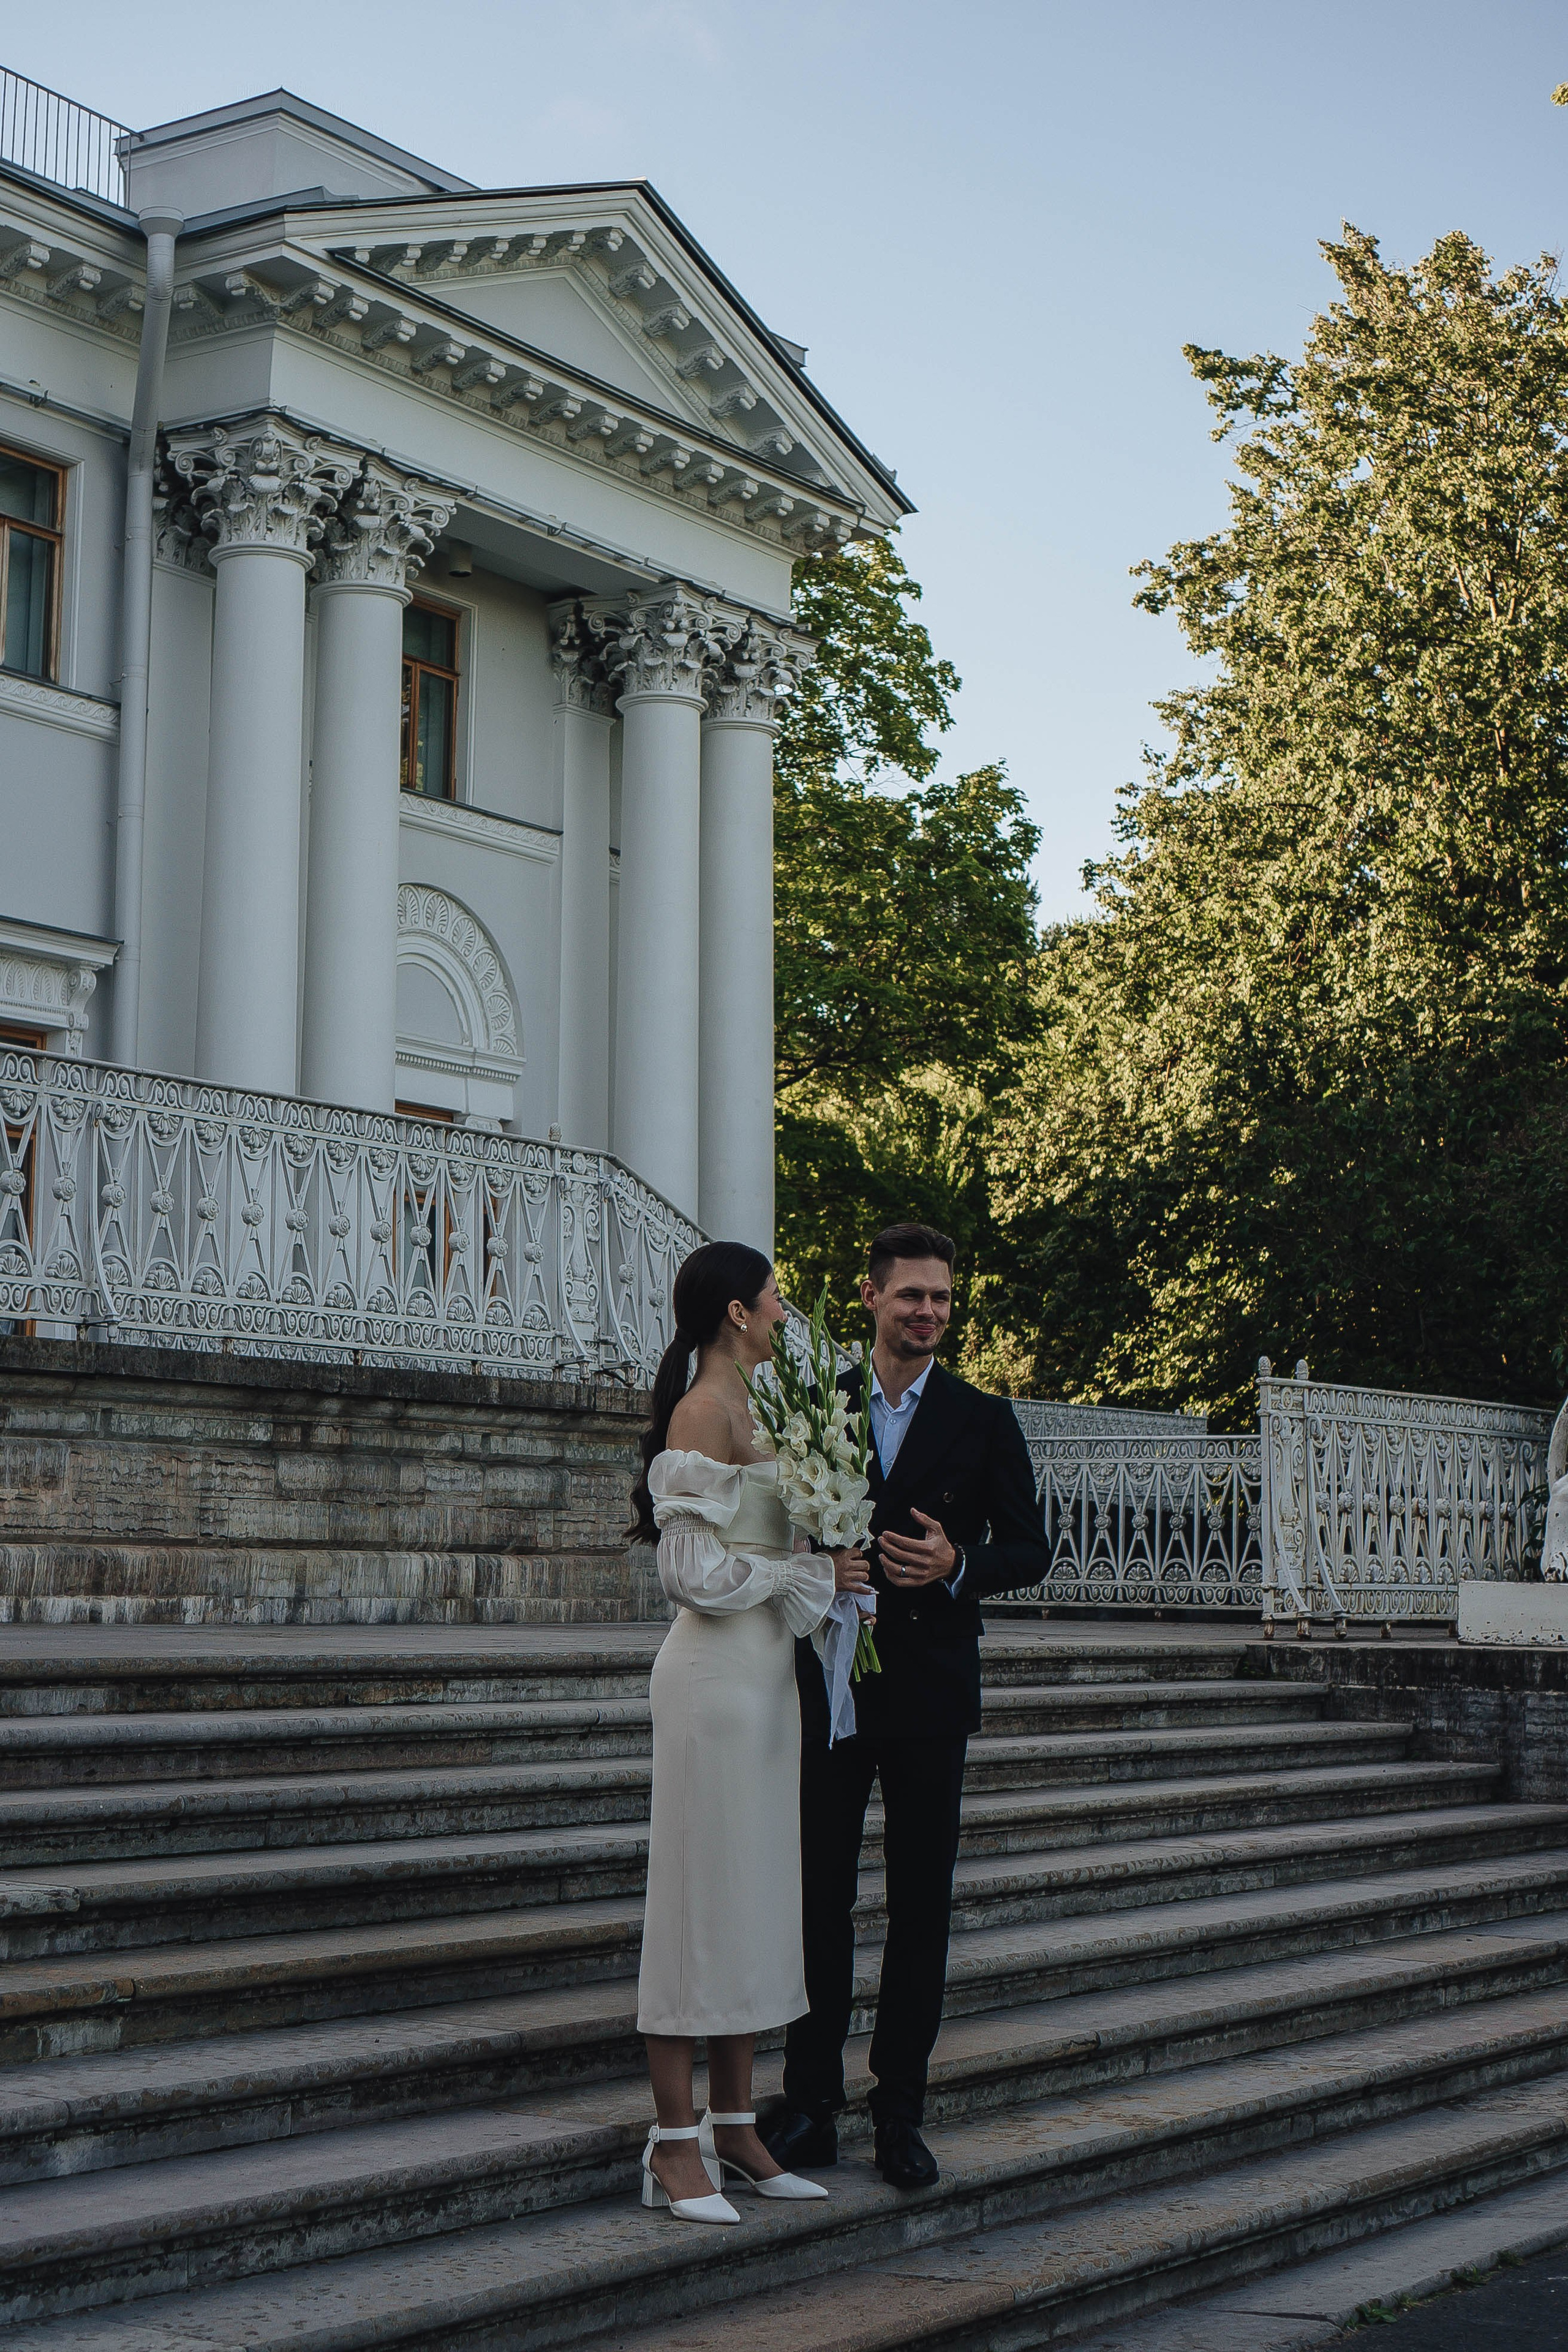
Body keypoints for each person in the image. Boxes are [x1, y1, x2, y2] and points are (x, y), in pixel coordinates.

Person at [762, 1221, 1049, 2191]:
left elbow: (1031, 1547)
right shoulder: (816, 1402)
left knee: (921, 1909)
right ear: (873, 1297)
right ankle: (809, 2106)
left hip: (930, 1690)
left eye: (942, 1299)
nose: (928, 1313)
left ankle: (901, 2112)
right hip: (835, 1687)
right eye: (912, 1296)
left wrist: (958, 1563)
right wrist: (816, 1565)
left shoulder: (982, 1416)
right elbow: (776, 1522)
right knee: (821, 1905)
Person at [628, 1239, 865, 2224]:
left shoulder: (769, 1407)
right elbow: (687, 1574)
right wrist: (806, 1578)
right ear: (735, 1310)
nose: (783, 1310)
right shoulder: (701, 1412)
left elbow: (775, 1544)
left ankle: (737, 2128)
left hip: (771, 1683)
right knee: (698, 1907)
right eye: (774, 1296)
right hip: (712, 1685)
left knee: (755, 1907)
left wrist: (833, 1583)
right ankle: (673, 2148)